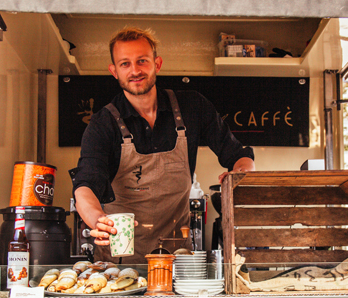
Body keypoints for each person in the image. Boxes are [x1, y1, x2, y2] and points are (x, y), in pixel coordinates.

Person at [71, 26, 255, 261]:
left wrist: (241, 175)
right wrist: (98, 219)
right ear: (114, 71)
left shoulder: (193, 107)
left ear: (157, 64)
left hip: (177, 259)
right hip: (120, 260)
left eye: (142, 61)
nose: (135, 70)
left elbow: (238, 155)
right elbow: (86, 185)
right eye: (125, 64)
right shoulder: (102, 124)